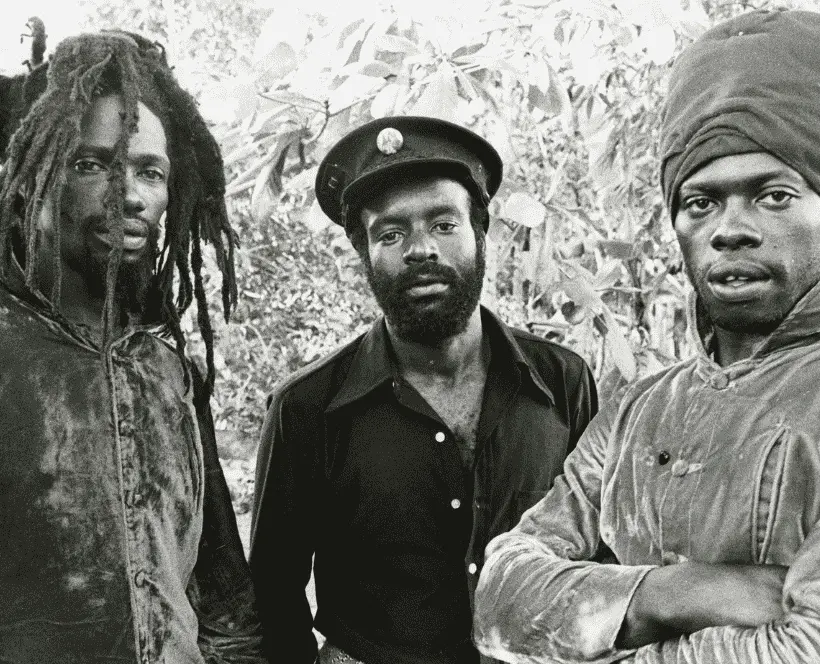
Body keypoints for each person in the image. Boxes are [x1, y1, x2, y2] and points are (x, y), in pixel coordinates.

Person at [473, 9, 820, 664]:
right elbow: (497, 596)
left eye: (773, 195)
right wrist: (669, 592)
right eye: (701, 202)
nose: (731, 230)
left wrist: (592, 622)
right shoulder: (639, 409)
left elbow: (804, 647)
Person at [249, 116, 598, 664]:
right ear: (364, 254)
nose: (420, 250)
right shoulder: (307, 407)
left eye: (443, 224)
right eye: (391, 234)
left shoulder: (561, 382)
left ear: (480, 234)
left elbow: (600, 551)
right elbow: (273, 594)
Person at [0, 29, 266, 663]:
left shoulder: (169, 370)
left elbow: (225, 602)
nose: (132, 194)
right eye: (92, 164)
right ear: (30, 176)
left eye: (151, 171)